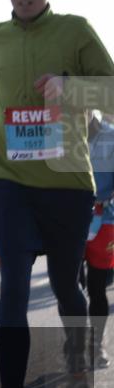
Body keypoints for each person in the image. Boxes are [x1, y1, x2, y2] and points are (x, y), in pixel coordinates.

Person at [0, 0, 114, 388]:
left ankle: (77, 366)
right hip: (10, 179)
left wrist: (69, 86)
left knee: (64, 284)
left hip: (66, 181)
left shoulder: (75, 31)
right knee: (12, 284)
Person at [85, 111, 113, 369]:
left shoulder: (112, 137)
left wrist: (106, 201)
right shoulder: (61, 135)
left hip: (104, 219)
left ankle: (96, 344)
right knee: (69, 284)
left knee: (96, 285)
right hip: (69, 221)